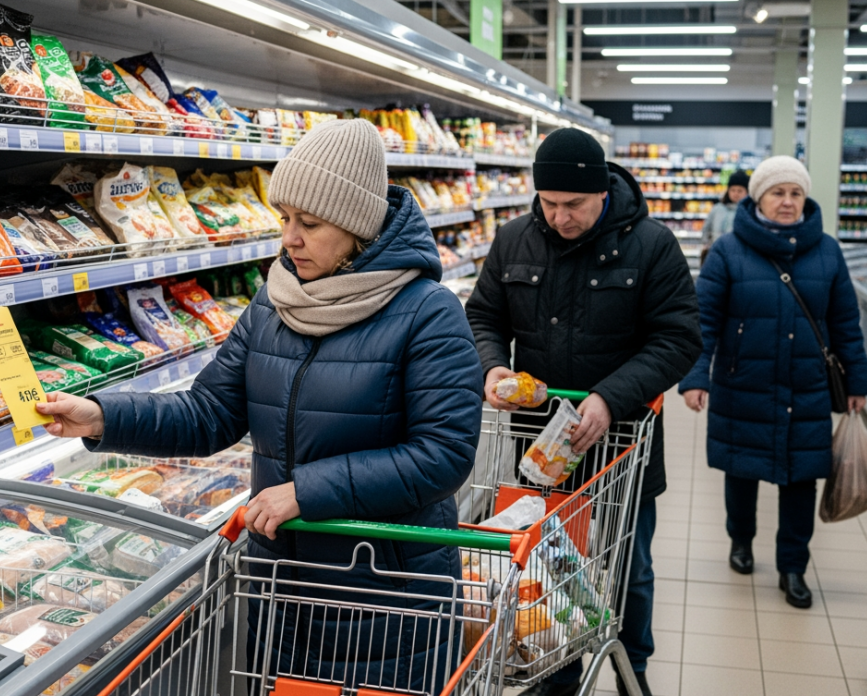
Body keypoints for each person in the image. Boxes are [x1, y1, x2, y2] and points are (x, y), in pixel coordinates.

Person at [36, 119, 483, 692]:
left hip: (383, 595)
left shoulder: (428, 312)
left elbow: (443, 456)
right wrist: (102, 416)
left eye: (310, 223)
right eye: (285, 218)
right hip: (281, 588)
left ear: (358, 226)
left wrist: (307, 491)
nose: (289, 239)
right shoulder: (273, 302)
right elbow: (209, 413)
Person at [465, 128, 702, 696]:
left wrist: (609, 397)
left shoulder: (652, 245)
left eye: (573, 204)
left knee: (629, 568)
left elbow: (679, 338)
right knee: (544, 563)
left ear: (602, 192)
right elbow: (482, 317)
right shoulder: (514, 239)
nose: (560, 217)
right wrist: (493, 367)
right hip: (538, 450)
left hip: (622, 446)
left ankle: (631, 669)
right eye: (549, 203)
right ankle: (557, 669)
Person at [678, 155, 867, 609]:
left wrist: (857, 381)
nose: (787, 202)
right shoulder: (728, 250)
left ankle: (793, 567)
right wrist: (695, 376)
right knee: (741, 472)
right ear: (758, 198)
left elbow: (846, 323)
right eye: (777, 193)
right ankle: (741, 540)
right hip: (743, 382)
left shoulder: (827, 251)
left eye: (795, 193)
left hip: (807, 386)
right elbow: (704, 321)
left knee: (801, 480)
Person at [700, 170, 749, 247]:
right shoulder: (717, 209)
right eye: (733, 190)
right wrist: (708, 246)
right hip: (716, 250)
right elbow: (706, 230)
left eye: (740, 191)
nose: (736, 194)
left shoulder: (748, 212)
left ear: (747, 192)